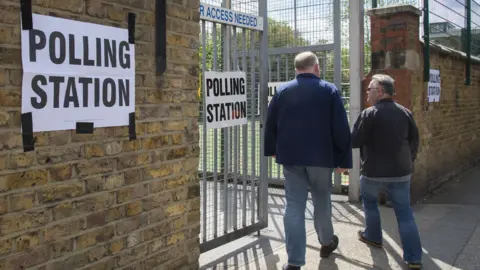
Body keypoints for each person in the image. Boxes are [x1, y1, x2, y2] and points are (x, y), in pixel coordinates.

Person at [264, 51, 352, 270]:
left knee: (293, 206)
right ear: (317, 67)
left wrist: (273, 150)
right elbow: (341, 128)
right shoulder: (329, 90)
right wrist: (344, 159)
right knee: (322, 201)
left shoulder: (283, 91)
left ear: (296, 69)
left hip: (292, 159)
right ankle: (326, 243)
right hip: (322, 159)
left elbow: (270, 123)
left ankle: (294, 262)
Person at [351, 74, 423, 269]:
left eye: (370, 90)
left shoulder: (369, 114)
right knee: (405, 213)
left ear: (380, 92)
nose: (367, 94)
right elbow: (414, 141)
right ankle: (414, 258)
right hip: (401, 172)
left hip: (373, 172)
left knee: (371, 205)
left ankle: (373, 237)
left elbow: (354, 141)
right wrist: (410, 161)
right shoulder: (406, 113)